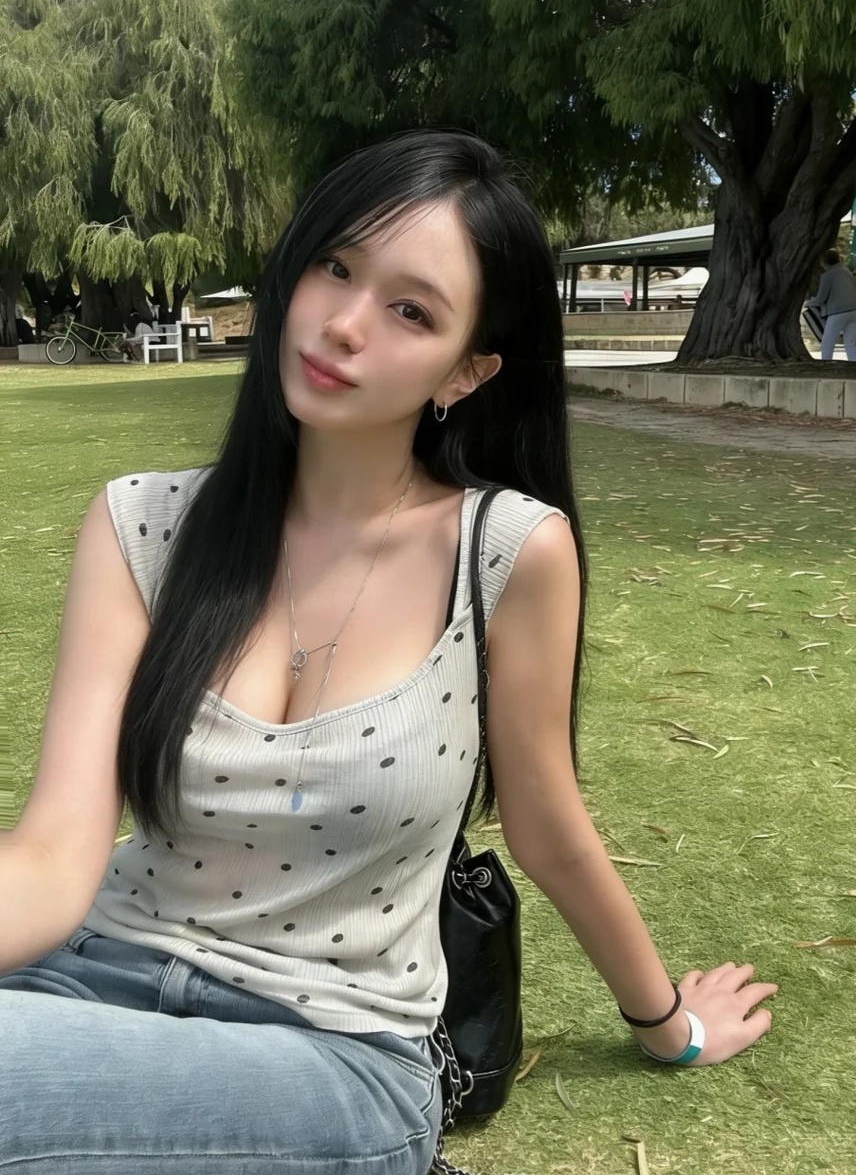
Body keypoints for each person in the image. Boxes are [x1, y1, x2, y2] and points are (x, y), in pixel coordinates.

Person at [0, 131, 776, 1174]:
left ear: (466, 370)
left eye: (412, 311)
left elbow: (547, 826)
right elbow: (51, 859)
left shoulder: (506, 553)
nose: (345, 323)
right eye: (336, 266)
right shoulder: (143, 524)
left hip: (332, 1051)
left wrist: (667, 1022)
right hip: (84, 982)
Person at [807, 248, 856, 361]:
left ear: (824, 262)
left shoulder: (827, 275)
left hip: (838, 311)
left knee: (828, 341)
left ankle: (826, 363)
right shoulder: (846, 271)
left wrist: (808, 303)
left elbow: (821, 298)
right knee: (850, 343)